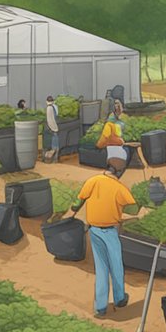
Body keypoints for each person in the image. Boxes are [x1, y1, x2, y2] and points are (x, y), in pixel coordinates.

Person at [70, 160, 138, 318]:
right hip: (110, 231)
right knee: (116, 265)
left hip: (94, 230)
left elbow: (77, 202)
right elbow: (133, 208)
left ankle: (100, 307)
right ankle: (120, 298)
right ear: (119, 172)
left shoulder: (92, 181)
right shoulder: (119, 187)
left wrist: (73, 211)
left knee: (101, 268)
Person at [44, 95, 61, 163]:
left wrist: (52, 128)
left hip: (52, 128)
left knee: (52, 146)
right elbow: (55, 116)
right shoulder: (54, 107)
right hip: (55, 128)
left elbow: (50, 120)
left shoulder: (49, 108)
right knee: (56, 145)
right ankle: (55, 159)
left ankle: (50, 159)